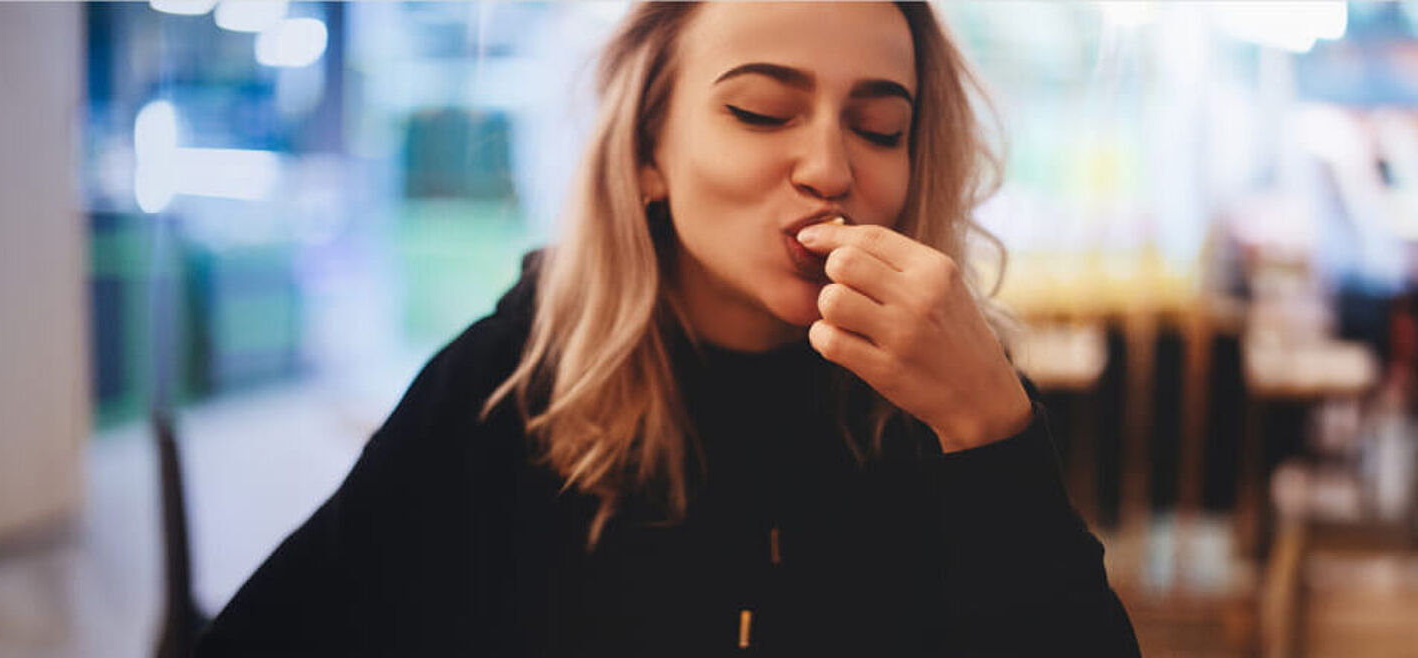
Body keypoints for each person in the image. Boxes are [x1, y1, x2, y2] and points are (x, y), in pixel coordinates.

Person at [195, 2, 1141, 656]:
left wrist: (991, 432)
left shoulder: (949, 398)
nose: (829, 166)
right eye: (761, 110)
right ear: (649, 151)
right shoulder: (516, 379)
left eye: (881, 127)